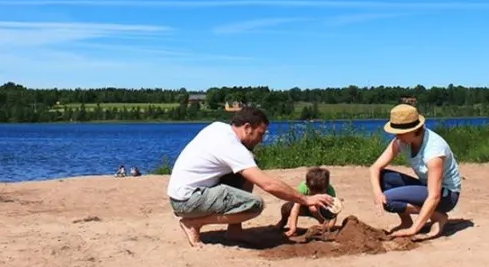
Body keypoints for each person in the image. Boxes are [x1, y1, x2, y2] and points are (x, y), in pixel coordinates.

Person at [166, 107, 336, 247]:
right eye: (261, 134)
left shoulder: (218, 127)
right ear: (247, 128)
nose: (262, 139)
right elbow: (268, 184)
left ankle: (235, 231)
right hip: (188, 200)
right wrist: (306, 200)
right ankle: (193, 223)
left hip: (184, 193)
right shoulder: (232, 147)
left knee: (247, 170)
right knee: (254, 205)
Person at [368, 103, 462, 239]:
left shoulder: (434, 151)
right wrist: (377, 194)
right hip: (427, 187)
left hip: (446, 196)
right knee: (383, 178)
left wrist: (414, 230)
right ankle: (406, 222)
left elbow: (434, 196)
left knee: (389, 200)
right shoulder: (401, 141)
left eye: (399, 132)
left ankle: (439, 216)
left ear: (413, 130)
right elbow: (374, 168)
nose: (396, 135)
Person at [278, 166, 338, 236]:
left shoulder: (330, 190)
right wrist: (293, 228)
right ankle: (283, 222)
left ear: (326, 187)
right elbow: (295, 208)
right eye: (314, 192)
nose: (317, 195)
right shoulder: (303, 187)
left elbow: (334, 212)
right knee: (286, 208)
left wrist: (330, 226)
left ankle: (323, 226)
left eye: (320, 192)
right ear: (307, 185)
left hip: (320, 210)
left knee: (313, 208)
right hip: (304, 207)